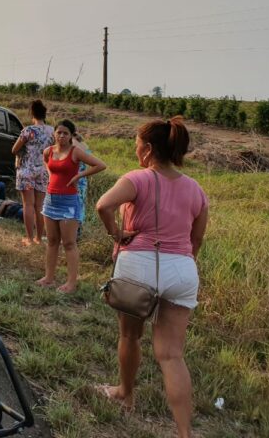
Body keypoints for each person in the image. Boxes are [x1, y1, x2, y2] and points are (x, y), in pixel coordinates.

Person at [95, 117, 208, 438]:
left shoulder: (139, 179)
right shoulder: (196, 190)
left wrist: (117, 234)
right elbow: (196, 239)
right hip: (182, 269)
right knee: (172, 354)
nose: (136, 151)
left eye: (136, 146)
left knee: (131, 336)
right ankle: (185, 432)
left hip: (140, 264)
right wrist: (182, 267)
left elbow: (104, 205)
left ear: (146, 150)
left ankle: (125, 394)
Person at [38, 119, 107, 293]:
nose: (61, 135)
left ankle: (71, 283)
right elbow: (47, 164)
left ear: (71, 136)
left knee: (69, 243)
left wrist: (79, 176)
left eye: (65, 133)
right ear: (54, 133)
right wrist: (52, 177)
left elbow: (100, 165)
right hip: (50, 200)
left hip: (69, 202)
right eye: (59, 132)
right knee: (52, 241)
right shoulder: (48, 151)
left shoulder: (76, 152)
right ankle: (48, 278)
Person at [12, 100, 53, 246]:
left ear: (32, 114)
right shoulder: (52, 131)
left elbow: (14, 149)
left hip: (26, 170)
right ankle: (39, 238)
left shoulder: (28, 130)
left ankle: (29, 238)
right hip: (43, 171)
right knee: (40, 206)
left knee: (28, 205)